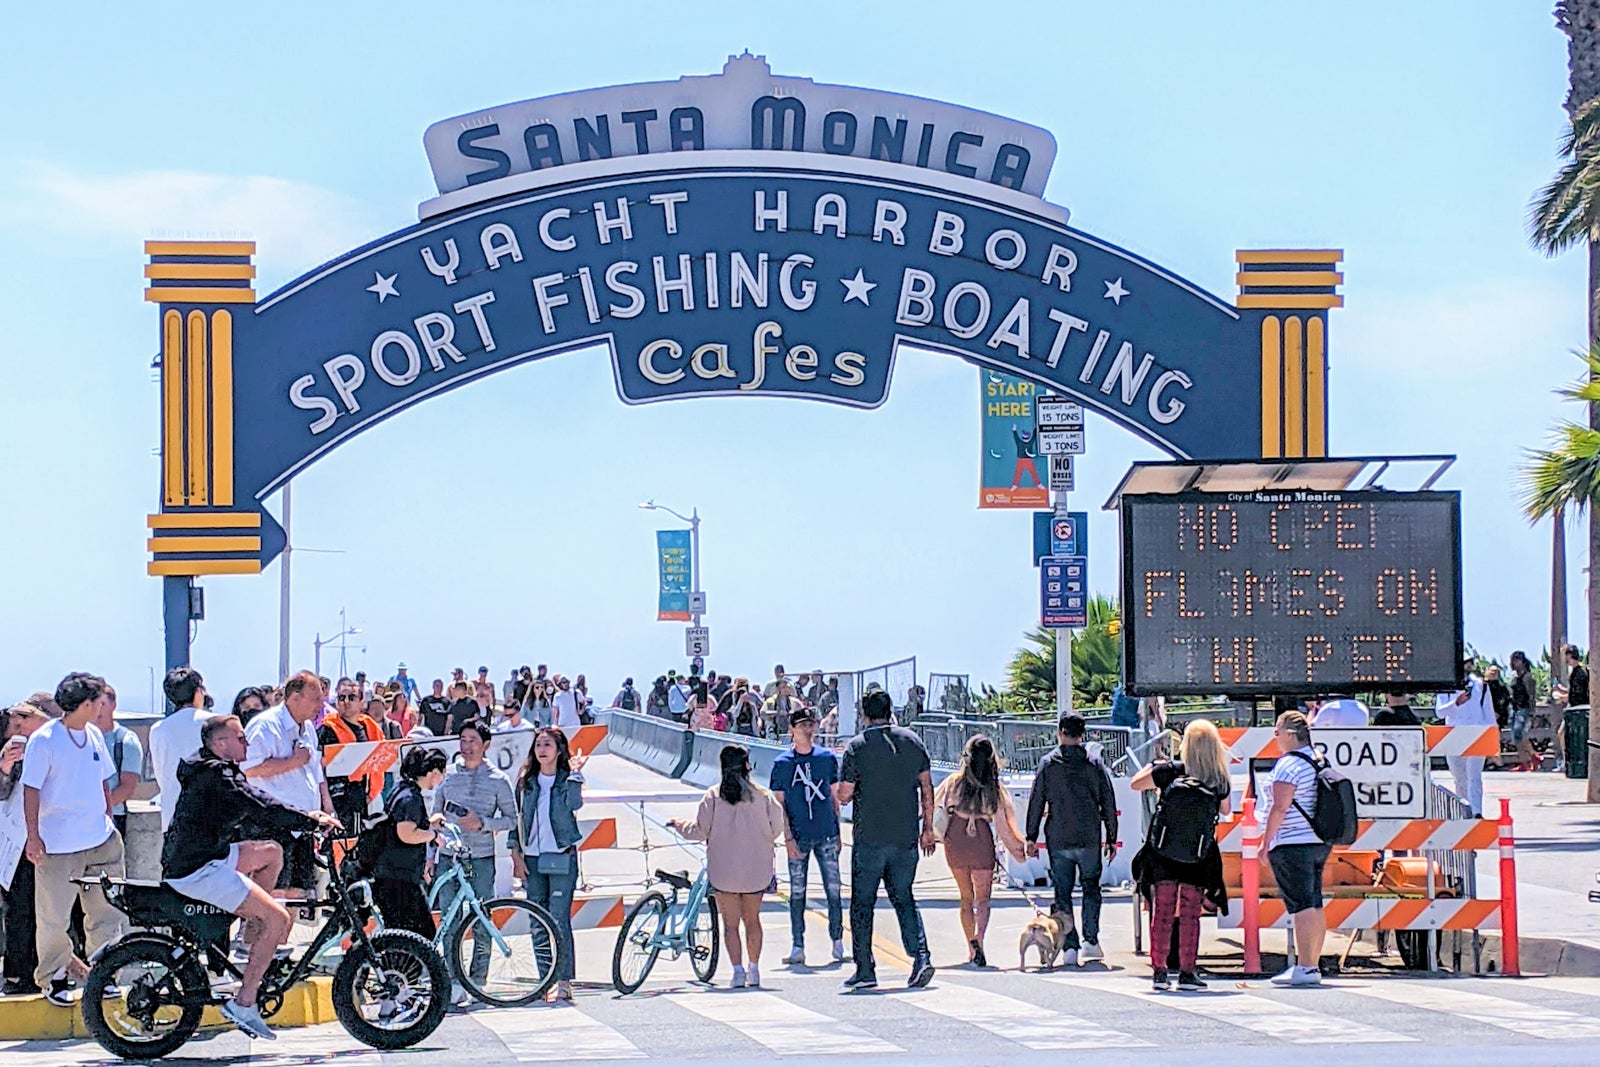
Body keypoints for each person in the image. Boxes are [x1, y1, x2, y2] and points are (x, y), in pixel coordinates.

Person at [163, 714, 338, 1039]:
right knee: (279, 919)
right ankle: (244, 1002)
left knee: (271, 853)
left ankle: (249, 938)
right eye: (240, 738)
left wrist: (304, 818)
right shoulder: (217, 777)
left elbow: (259, 805)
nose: (247, 742)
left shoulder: (211, 768)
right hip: (199, 869)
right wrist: (310, 821)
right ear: (220, 745)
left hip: (204, 855)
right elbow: (260, 805)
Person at [21, 673, 126, 1007]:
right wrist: (33, 837)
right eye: (99, 701)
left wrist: (107, 816)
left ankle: (103, 974)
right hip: (58, 845)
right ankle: (54, 977)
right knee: (54, 916)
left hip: (100, 840)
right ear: (85, 704)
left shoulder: (94, 734)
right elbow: (31, 789)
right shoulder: (45, 740)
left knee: (106, 912)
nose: (103, 706)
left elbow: (102, 781)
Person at [836, 688, 936, 991]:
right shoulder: (912, 741)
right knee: (903, 897)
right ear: (890, 710)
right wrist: (928, 828)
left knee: (862, 904)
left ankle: (865, 969)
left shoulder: (857, 747)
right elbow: (927, 788)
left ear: (864, 714)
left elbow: (845, 794)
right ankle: (920, 956)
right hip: (905, 835)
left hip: (870, 837)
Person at [669, 746, 785, 989]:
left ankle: (737, 971)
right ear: (748, 766)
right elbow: (776, 828)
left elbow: (699, 831)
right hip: (756, 870)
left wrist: (680, 824)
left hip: (724, 872)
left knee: (730, 924)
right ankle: (755, 969)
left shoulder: (712, 796)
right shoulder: (763, 796)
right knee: (752, 920)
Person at [1130, 720, 1232, 991]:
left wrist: (1155, 765)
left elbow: (1135, 784)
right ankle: (1187, 972)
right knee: (1190, 914)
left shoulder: (1172, 772)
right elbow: (1225, 810)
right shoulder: (1218, 779)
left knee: (1162, 911)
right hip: (1198, 855)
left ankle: (1160, 972)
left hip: (1164, 853)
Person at [1024, 712, 1118, 967]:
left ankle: (1069, 945)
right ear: (1083, 735)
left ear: (1060, 733)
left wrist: (1030, 836)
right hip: (1089, 837)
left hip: (1059, 837)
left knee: (1062, 892)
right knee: (1091, 887)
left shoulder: (1048, 763)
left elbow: (1036, 802)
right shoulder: (1094, 763)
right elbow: (1108, 802)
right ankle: (1091, 939)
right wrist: (1112, 837)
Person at [432, 719, 516, 994]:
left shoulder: (498, 779)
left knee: (482, 917)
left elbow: (512, 819)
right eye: (463, 740)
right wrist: (431, 853)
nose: (467, 747)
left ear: (486, 745)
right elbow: (435, 814)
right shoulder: (448, 775)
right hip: (448, 856)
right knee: (449, 918)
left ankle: (478, 979)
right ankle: (453, 980)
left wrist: (483, 823)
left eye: (473, 741)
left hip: (480, 857)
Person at [934, 735, 1028, 967]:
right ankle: (980, 941)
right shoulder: (994, 788)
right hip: (981, 841)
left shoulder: (953, 783)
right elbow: (1006, 828)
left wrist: (930, 835)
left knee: (965, 898)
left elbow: (935, 807)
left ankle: (970, 945)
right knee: (983, 899)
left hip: (956, 841)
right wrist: (1021, 851)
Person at [512, 728, 588, 1002]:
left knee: (558, 918)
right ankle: (544, 979)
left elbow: (575, 804)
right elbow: (516, 817)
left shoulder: (567, 779)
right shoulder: (526, 781)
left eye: (547, 744)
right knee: (536, 920)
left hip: (560, 855)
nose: (542, 749)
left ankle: (564, 979)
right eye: (538, 745)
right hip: (532, 857)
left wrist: (576, 774)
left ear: (558, 749)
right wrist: (515, 853)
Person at [243, 671, 335, 895]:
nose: (319, 706)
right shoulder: (265, 726)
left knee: (297, 894)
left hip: (303, 824)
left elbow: (316, 770)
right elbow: (248, 769)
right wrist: (292, 762)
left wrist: (327, 806)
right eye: (314, 700)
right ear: (294, 698)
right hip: (271, 825)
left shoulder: (309, 728)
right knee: (271, 896)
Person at [769, 708, 845, 966]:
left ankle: (837, 939)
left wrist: (838, 832)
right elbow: (780, 805)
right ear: (791, 729)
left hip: (825, 831)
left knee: (833, 887)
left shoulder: (826, 759)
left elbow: (834, 796)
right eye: (801, 725)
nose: (807, 729)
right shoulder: (782, 764)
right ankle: (797, 943)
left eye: (810, 724)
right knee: (797, 891)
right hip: (799, 834)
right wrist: (788, 837)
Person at [1261, 710, 1329, 987]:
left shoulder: (1288, 765)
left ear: (1289, 734)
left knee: (1301, 906)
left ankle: (1306, 967)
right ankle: (1311, 964)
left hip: (1291, 841)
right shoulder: (1317, 759)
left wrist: (1265, 842)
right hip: (1317, 841)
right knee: (1313, 903)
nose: (1275, 738)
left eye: (1277, 732)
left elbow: (1280, 806)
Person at [372, 746, 448, 938]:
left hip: (390, 874)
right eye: (442, 774)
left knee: (402, 933)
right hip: (399, 876)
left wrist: (429, 824)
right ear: (434, 772)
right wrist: (433, 836)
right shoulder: (411, 798)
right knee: (420, 934)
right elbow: (406, 833)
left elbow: (401, 823)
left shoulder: (401, 789)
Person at [1, 701, 50, 995]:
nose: (20, 727)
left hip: (49, 837)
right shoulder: (11, 753)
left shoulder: (49, 746)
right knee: (20, 910)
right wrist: (5, 767)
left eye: (26, 719)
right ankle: (19, 973)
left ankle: (42, 969)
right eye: (16, 722)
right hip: (16, 842)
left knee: (49, 912)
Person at [149, 667, 224, 832]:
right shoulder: (217, 723)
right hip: (214, 812)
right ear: (198, 692)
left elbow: (162, 776)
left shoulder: (158, 729)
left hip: (172, 813)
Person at [318, 680, 385, 830]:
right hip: (338, 802)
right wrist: (327, 805)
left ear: (361, 702)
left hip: (365, 800)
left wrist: (371, 794)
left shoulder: (370, 728)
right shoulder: (327, 729)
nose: (346, 702)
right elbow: (318, 769)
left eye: (351, 697)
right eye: (342, 698)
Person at [1441, 656, 1495, 816]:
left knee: (1474, 777)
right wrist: (1456, 703)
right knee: (1459, 776)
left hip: (1476, 734)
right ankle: (1463, 809)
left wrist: (1492, 742)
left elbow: (1489, 714)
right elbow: (1440, 711)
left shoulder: (1481, 686)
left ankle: (1477, 811)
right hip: (1453, 735)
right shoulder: (1446, 686)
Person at [94, 685, 141, 839]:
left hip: (113, 817)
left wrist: (100, 809)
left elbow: (128, 786)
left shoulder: (126, 741)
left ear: (113, 706)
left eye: (102, 704)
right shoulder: (82, 738)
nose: (98, 710)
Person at [1509, 651, 1540, 772]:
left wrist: (1532, 713)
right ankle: (1524, 762)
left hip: (1524, 709)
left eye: (1517, 660)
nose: (1515, 663)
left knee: (1520, 733)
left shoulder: (1528, 677)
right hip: (1515, 709)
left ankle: (1533, 755)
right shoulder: (1515, 678)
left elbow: (1531, 696)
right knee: (1516, 737)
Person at [1566, 644, 1589, 708]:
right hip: (1578, 706)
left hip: (1580, 707)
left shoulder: (1580, 672)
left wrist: (1565, 697)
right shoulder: (1575, 672)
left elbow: (1578, 693)